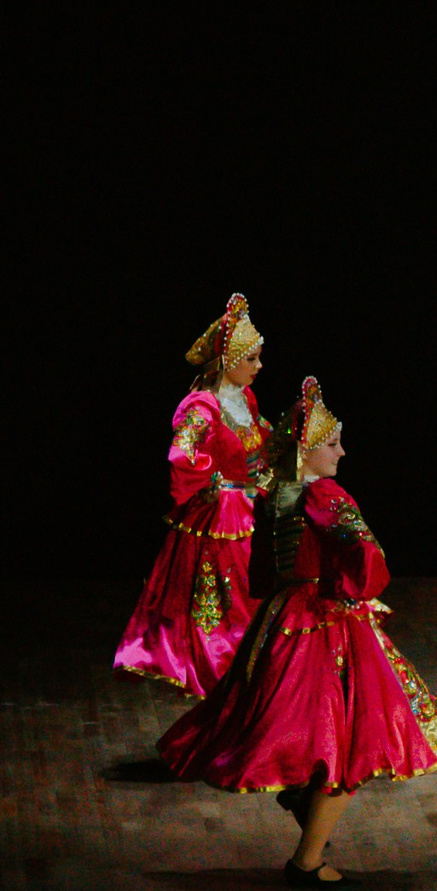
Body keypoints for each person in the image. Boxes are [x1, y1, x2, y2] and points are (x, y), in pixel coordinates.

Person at [160, 378, 437, 886]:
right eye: (331, 443)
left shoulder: (275, 494)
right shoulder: (325, 495)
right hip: (326, 622)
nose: (341, 451)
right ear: (306, 449)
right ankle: (307, 861)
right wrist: (355, 589)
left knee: (310, 728)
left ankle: (304, 805)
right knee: (354, 742)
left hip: (281, 618)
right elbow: (369, 557)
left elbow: (265, 568)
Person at [115, 294, 278, 696]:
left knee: (250, 596)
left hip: (250, 510)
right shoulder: (203, 406)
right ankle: (222, 673)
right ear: (227, 362)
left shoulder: (245, 400)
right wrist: (212, 481)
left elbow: (262, 440)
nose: (259, 367)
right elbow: (181, 453)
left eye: (259, 358)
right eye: (252, 359)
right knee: (222, 604)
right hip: (222, 518)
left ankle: (253, 674)